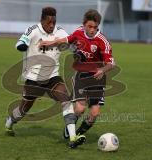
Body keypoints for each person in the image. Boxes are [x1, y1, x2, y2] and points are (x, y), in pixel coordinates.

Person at [5, 7, 86, 149]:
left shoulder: (60, 32)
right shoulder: (33, 30)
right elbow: (19, 43)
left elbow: (73, 46)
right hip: (33, 79)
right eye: (48, 22)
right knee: (24, 109)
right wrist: (23, 46)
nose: (51, 25)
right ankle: (10, 122)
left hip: (53, 78)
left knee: (66, 100)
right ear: (42, 20)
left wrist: (78, 53)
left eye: (53, 22)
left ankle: (73, 137)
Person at [40, 9, 115, 141]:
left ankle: (78, 133)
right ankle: (71, 129)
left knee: (94, 113)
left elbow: (111, 63)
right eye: (89, 26)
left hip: (97, 78)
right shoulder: (79, 32)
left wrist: (102, 70)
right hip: (82, 76)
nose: (92, 30)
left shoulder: (102, 41)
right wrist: (50, 42)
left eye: (95, 27)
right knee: (80, 109)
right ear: (84, 24)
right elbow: (68, 39)